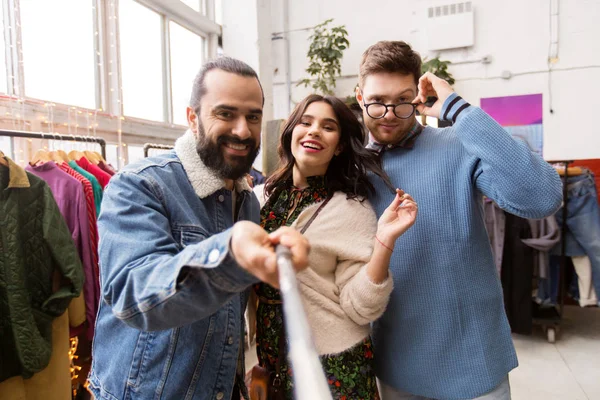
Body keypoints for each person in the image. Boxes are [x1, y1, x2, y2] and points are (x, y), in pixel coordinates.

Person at [87, 57, 310, 400]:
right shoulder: (139, 185)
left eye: (253, 116)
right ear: (192, 118)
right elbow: (132, 293)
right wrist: (231, 254)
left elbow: (226, 317)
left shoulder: (247, 201)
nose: (242, 130)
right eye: (225, 114)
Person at [355, 41, 563, 400]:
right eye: (377, 101)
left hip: (475, 366)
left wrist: (457, 108)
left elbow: (543, 197)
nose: (389, 113)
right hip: (395, 367)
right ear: (359, 97)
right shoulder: (354, 169)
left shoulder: (457, 143)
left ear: (418, 96)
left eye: (402, 100)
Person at [251, 94, 418, 399]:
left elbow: (360, 308)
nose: (314, 131)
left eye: (328, 127)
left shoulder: (350, 209)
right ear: (291, 132)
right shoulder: (259, 198)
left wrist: (384, 242)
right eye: (306, 122)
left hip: (334, 364)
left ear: (340, 145)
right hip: (274, 359)